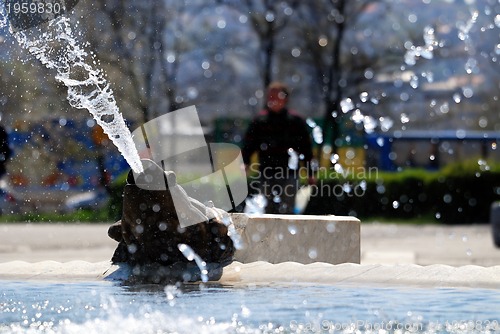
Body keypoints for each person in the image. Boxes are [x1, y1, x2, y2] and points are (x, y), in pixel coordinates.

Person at [242, 81, 316, 214]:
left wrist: (310, 173)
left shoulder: (295, 121)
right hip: (266, 172)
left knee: (287, 208)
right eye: (270, 97)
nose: (273, 100)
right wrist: (245, 163)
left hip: (289, 173)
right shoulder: (260, 121)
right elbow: (249, 145)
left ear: (285, 99)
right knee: (267, 208)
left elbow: (306, 148)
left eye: (277, 97)